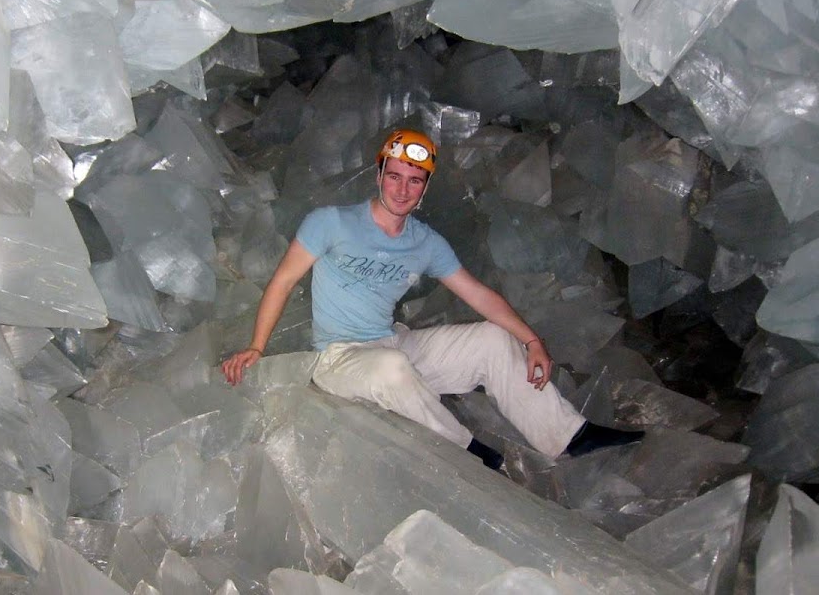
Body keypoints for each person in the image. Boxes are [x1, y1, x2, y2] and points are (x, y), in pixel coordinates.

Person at [221, 129, 642, 468]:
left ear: (424, 188)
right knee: (392, 368)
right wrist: (256, 347)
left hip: (391, 343)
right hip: (339, 358)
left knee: (492, 340)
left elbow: (478, 294)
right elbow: (282, 281)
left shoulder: (425, 243)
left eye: (414, 180)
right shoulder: (330, 223)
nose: (403, 189)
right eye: (395, 175)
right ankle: (464, 454)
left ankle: (569, 436)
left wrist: (532, 341)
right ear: (379, 173)